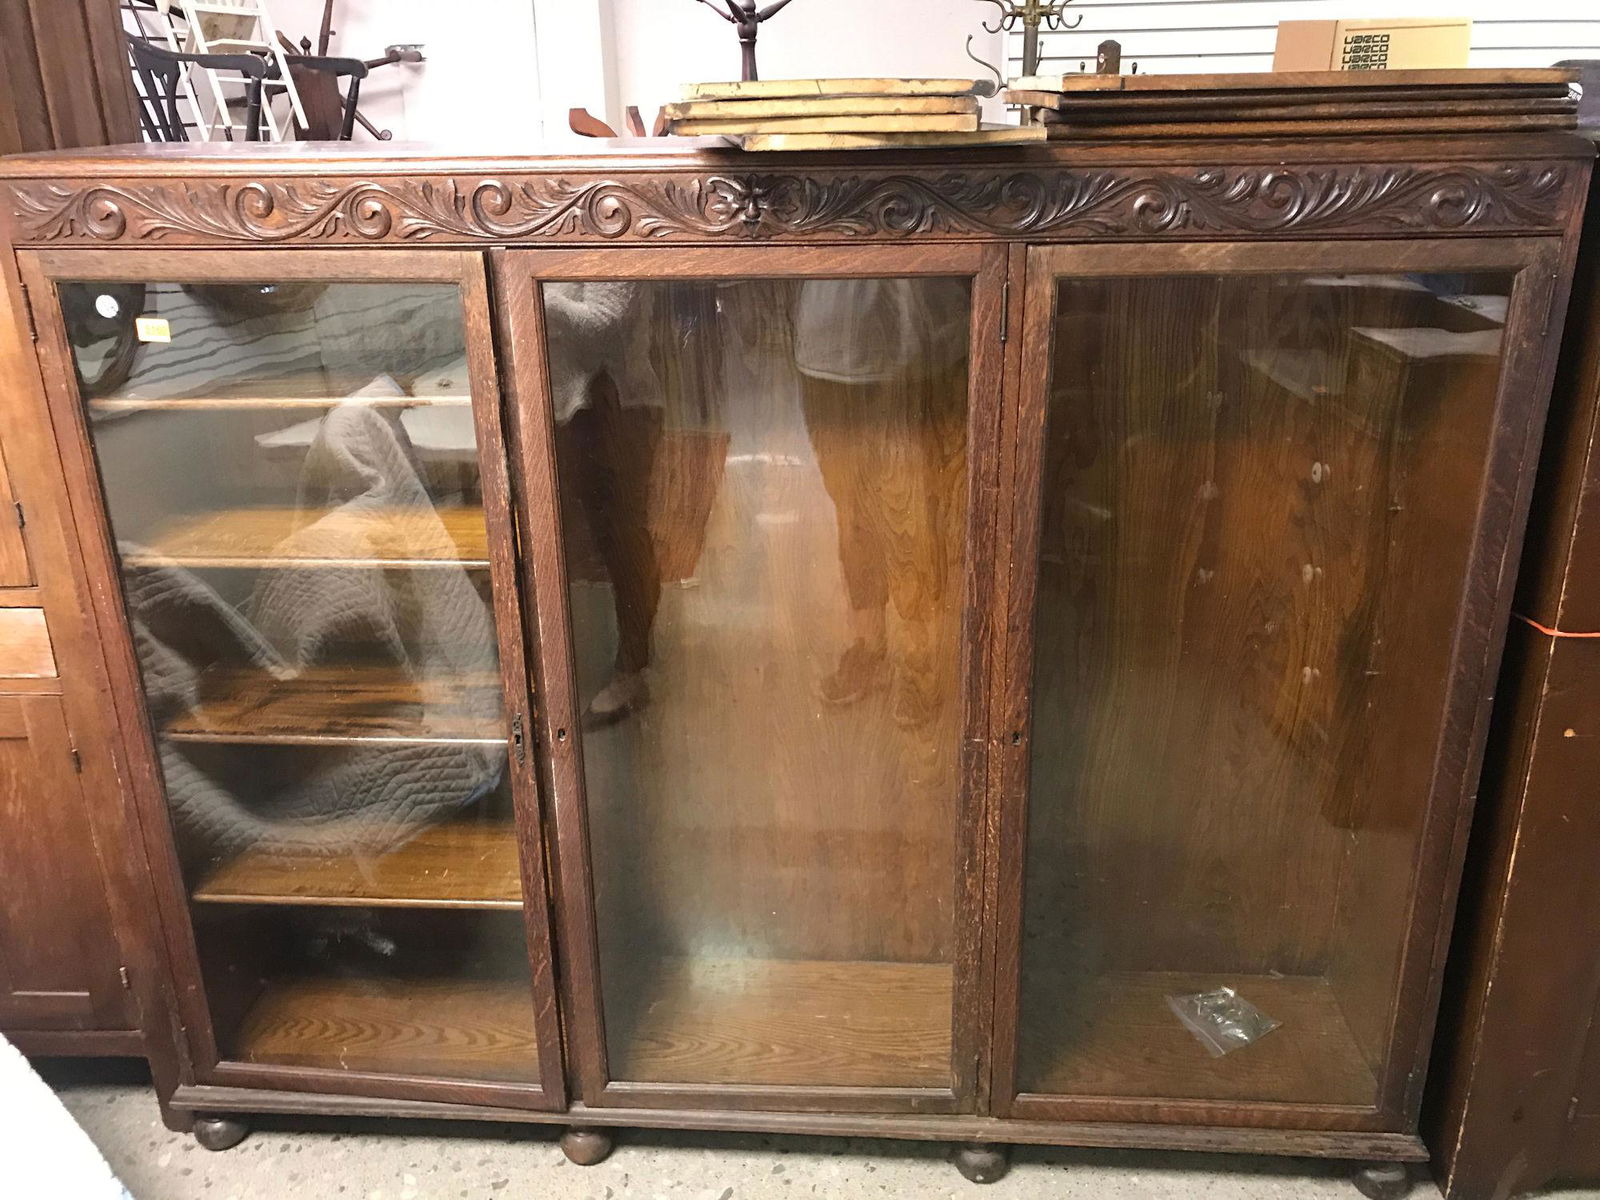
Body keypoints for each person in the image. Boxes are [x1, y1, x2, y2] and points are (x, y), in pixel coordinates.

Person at [793, 278, 969, 728]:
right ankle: (871, 648)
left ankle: (920, 660)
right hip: (828, 346)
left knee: (914, 518)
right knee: (852, 515)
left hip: (917, 345)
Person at [544, 282, 665, 728]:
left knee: (622, 542)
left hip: (614, 408)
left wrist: (529, 291)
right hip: (563, 407)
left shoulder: (605, 217)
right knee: (582, 539)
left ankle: (632, 670)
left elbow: (607, 327)